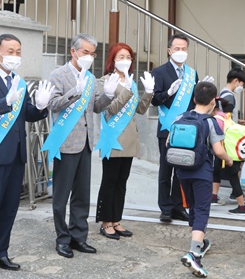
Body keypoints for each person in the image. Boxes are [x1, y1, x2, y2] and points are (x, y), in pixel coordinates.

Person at [0, 34, 52, 274]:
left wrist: (41, 107)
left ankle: (0, 252)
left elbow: (26, 114)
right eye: (10, 51)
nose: (15, 56)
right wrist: (5, 102)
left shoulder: (20, 82)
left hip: (16, 154)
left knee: (9, 207)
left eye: (18, 52)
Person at [45, 33, 119, 258]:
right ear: (73, 51)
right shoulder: (58, 74)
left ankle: (79, 236)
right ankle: (62, 238)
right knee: (61, 195)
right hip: (66, 142)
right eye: (85, 52)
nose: (89, 56)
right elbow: (52, 104)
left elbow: (96, 107)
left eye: (92, 53)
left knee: (82, 195)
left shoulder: (90, 78)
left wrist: (107, 95)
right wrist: (73, 93)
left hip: (86, 142)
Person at [95, 43, 154, 240]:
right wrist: (127, 91)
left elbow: (140, 109)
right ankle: (105, 222)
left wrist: (148, 92)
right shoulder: (104, 81)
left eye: (128, 57)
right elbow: (110, 109)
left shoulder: (131, 81)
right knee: (110, 181)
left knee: (122, 182)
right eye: (121, 57)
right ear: (112, 60)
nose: (125, 61)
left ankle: (116, 220)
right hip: (113, 139)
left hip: (129, 140)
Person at [176, 82, 234, 277]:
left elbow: (169, 142)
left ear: (193, 99)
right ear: (212, 102)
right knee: (202, 210)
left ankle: (200, 244)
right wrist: (229, 159)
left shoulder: (180, 117)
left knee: (193, 207)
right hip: (201, 171)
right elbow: (218, 151)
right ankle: (193, 254)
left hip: (182, 170)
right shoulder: (210, 122)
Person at [151, 33, 205, 223]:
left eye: (184, 49)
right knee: (166, 170)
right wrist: (168, 93)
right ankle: (165, 208)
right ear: (169, 50)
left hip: (186, 130)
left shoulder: (192, 73)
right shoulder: (159, 72)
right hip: (167, 128)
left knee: (181, 169)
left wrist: (204, 92)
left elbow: (194, 101)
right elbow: (154, 99)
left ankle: (178, 206)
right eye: (177, 49)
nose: (180, 52)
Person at [211, 97, 245, 215]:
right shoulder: (226, 118)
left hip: (226, 153)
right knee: (218, 172)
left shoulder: (217, 119)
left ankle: (242, 207)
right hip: (232, 152)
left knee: (233, 179)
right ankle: (214, 196)